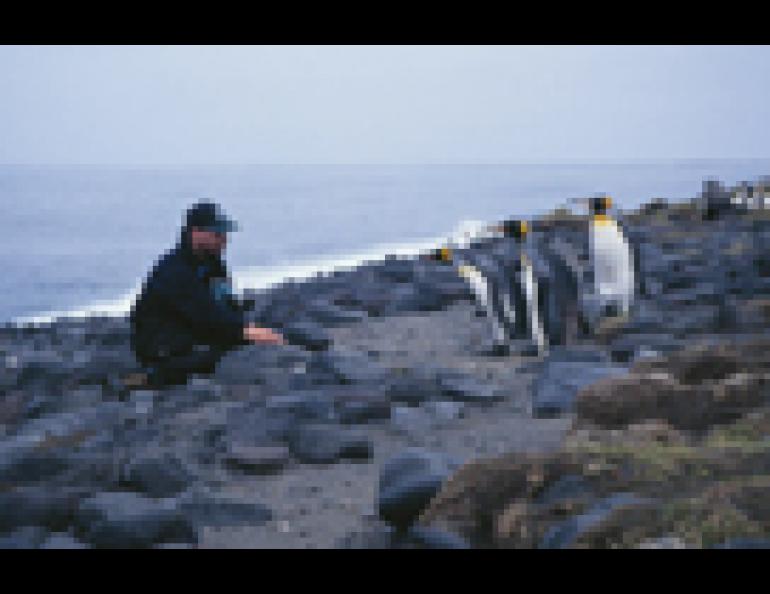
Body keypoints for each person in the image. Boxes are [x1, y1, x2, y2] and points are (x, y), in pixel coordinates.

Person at [127, 200, 283, 387]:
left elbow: (225, 306)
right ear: (196, 233)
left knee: (268, 335)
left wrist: (247, 326)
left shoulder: (213, 264)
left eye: (224, 234)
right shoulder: (174, 271)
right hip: (163, 346)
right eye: (217, 234)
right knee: (224, 356)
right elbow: (206, 315)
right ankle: (150, 377)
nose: (224, 240)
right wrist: (245, 331)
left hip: (197, 333)